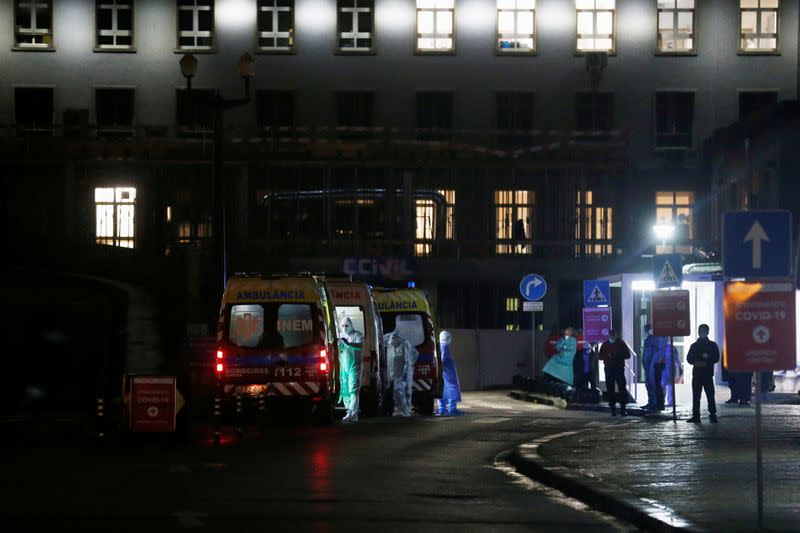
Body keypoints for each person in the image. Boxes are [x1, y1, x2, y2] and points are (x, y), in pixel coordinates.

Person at [686, 324, 720, 423]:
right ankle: (697, 416)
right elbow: (689, 359)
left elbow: (716, 358)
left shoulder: (712, 345)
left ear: (707, 332)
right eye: (701, 331)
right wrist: (702, 359)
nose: (702, 333)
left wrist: (703, 359)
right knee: (697, 396)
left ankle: (712, 415)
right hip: (699, 374)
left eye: (704, 331)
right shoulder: (695, 345)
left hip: (706, 374)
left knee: (709, 395)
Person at [385, 331, 418, 417]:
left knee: (404, 391)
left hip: (404, 372)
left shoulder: (404, 345)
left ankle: (404, 409)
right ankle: (403, 409)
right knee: (400, 391)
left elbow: (409, 359)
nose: (391, 342)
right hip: (396, 373)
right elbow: (390, 361)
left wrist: (406, 371)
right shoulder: (390, 346)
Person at [599, 330, 631, 416]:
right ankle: (614, 409)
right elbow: (600, 356)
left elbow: (628, 355)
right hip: (610, 368)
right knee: (611, 388)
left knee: (621, 388)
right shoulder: (606, 344)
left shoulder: (620, 343)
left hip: (618, 368)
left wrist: (617, 354)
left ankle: (622, 409)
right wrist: (608, 355)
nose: (612, 337)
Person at [338, 317, 364, 423]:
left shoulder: (357, 335)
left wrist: (348, 344)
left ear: (351, 325)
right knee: (345, 391)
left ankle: (353, 414)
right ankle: (349, 412)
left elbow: (360, 346)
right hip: (343, 368)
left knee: (353, 390)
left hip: (354, 367)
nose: (344, 328)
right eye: (342, 326)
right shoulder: (341, 337)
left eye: (346, 325)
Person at [641, 324, 669, 411]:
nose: (647, 331)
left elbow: (657, 352)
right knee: (650, 385)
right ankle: (652, 402)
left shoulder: (659, 338)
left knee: (656, 385)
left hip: (656, 365)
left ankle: (657, 403)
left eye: (648, 329)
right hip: (649, 366)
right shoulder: (651, 338)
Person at [437, 331, 462, 416]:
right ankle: (452, 409)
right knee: (453, 388)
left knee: (443, 389)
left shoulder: (438, 345)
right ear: (447, 337)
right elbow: (443, 359)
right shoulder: (444, 345)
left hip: (443, 372)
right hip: (448, 372)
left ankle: (442, 409)